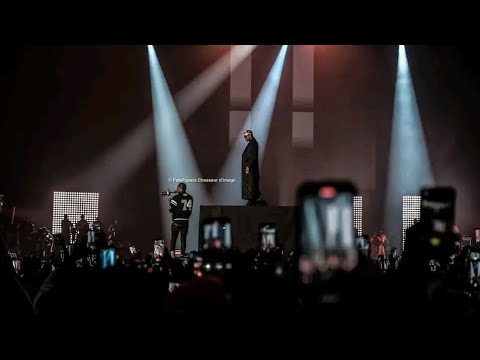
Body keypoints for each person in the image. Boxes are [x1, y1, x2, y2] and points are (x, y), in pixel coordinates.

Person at [169, 182, 193, 257]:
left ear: (180, 188)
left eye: (178, 188)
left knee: (173, 239)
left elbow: (171, 210)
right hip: (185, 221)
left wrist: (170, 203)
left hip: (177, 221)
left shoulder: (175, 198)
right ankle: (182, 254)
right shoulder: (190, 197)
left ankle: (172, 255)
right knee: (183, 239)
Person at [242, 130, 260, 206]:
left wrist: (248, 166)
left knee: (251, 184)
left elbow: (253, 156)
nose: (245, 138)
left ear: (250, 135)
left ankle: (253, 199)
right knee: (250, 184)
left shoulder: (253, 144)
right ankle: (252, 198)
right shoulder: (252, 143)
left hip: (251, 169)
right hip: (250, 168)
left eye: (245, 136)